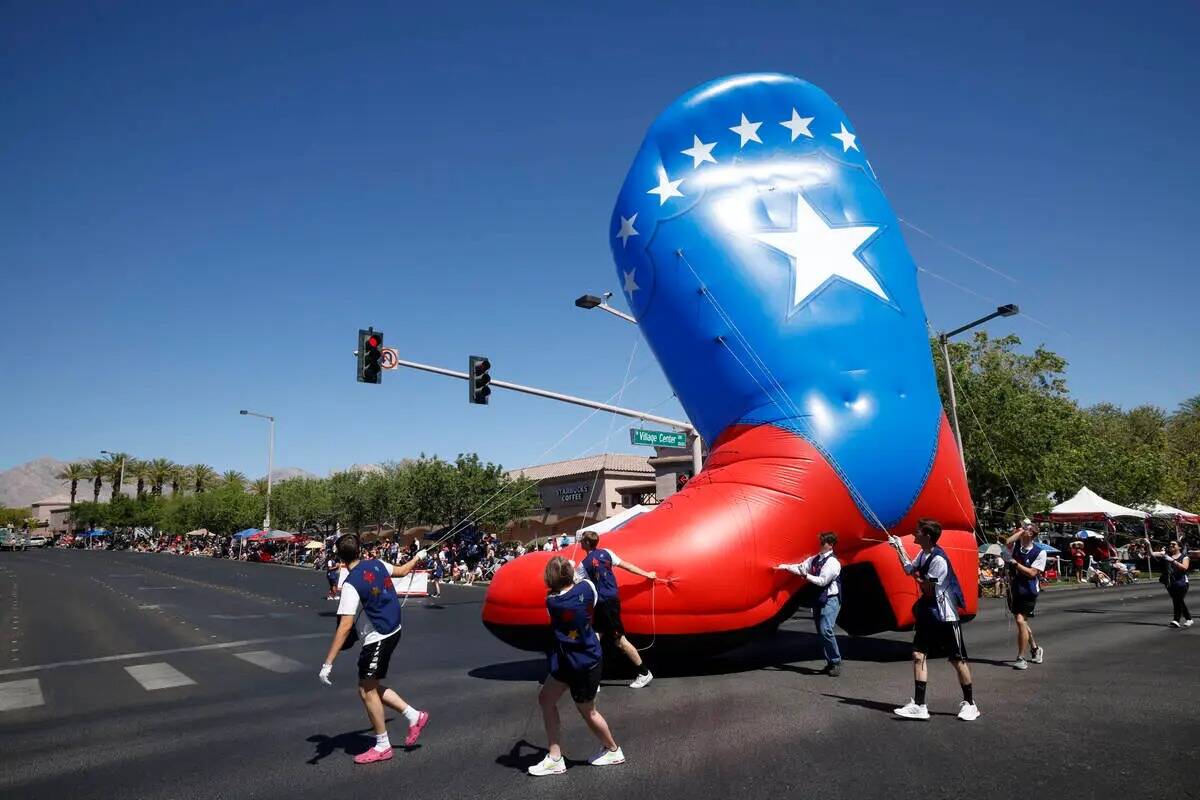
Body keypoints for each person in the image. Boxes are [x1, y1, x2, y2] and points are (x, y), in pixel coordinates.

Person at [319, 534, 432, 765]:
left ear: (340, 558)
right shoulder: (377, 563)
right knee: (368, 686)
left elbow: (345, 626)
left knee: (366, 690)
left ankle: (383, 746)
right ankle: (414, 716)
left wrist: (327, 663)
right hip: (393, 628)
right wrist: (418, 558)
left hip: (379, 635)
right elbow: (401, 571)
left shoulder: (350, 585)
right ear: (360, 551)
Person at [527, 556, 625, 776]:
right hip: (573, 659)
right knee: (546, 699)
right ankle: (555, 758)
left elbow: (564, 585)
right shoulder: (588, 589)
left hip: (581, 663)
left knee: (588, 712)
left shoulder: (552, 602)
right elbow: (582, 576)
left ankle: (613, 750)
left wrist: (566, 569)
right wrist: (572, 568)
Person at [888, 519, 980, 722]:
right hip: (929, 612)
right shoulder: (923, 553)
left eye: (917, 532)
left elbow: (927, 588)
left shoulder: (939, 559)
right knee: (918, 655)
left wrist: (916, 575)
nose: (914, 534)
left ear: (927, 536)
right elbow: (909, 569)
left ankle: (970, 704)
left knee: (957, 659)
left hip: (945, 614)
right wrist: (899, 548)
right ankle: (920, 705)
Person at [575, 530, 657, 688]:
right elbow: (627, 566)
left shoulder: (583, 566)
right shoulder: (607, 553)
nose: (580, 543)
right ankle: (593, 678)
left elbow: (572, 584)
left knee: (620, 641)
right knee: (595, 637)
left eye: (581, 541)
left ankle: (644, 673)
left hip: (605, 604)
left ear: (585, 543)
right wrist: (647, 574)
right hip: (609, 601)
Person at [776, 531, 843, 676]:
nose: (819, 545)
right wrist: (784, 567)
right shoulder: (815, 559)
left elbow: (822, 581)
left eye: (822, 543)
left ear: (830, 545)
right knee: (821, 632)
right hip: (819, 599)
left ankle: (836, 661)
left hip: (831, 599)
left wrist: (805, 576)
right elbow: (801, 567)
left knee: (826, 630)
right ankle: (830, 662)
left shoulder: (832, 563)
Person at [1004, 523, 1047, 670]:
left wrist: (1016, 565)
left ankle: (1021, 657)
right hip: (1015, 589)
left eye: (1028, 530)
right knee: (1022, 623)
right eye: (1024, 529)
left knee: (1020, 620)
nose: (1024, 531)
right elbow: (1007, 542)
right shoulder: (1016, 545)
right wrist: (1021, 531)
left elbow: (1032, 573)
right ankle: (1035, 648)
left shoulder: (1039, 552)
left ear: (1033, 534)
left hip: (1028, 590)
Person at [1147, 538, 1192, 628]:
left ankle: (1176, 620)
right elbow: (1151, 554)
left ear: (1179, 547)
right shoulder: (1166, 554)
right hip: (1170, 582)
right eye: (1170, 544)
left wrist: (1172, 560)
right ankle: (1189, 619)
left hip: (1182, 582)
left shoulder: (1184, 557)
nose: (1171, 545)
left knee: (1178, 600)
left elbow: (1184, 567)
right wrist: (1148, 544)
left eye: (1173, 544)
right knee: (1177, 600)